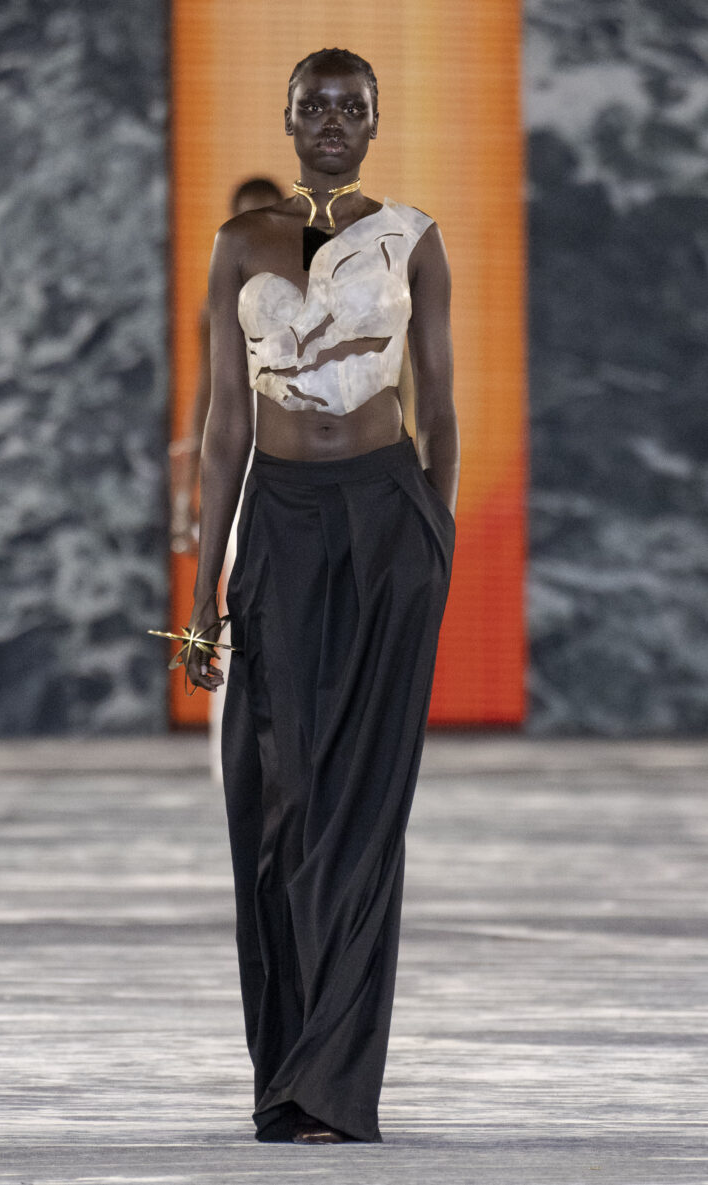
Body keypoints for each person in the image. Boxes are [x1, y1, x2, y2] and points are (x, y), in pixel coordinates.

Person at [182, 47, 459, 1145]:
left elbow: (439, 401)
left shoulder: (414, 238)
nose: (333, 121)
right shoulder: (239, 243)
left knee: (363, 807)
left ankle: (335, 1089)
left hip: (387, 521)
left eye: (352, 107)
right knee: (281, 797)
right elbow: (224, 424)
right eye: (315, 106)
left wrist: (436, 540)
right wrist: (203, 588)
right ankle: (286, 1072)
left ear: (375, 122)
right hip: (281, 526)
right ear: (289, 119)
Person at [169, 177, 282, 782]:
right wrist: (182, 496)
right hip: (237, 462)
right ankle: (231, 754)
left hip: (299, 458)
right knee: (236, 597)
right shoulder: (217, 304)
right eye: (243, 221)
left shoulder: (315, 290)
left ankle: (287, 749)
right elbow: (204, 399)